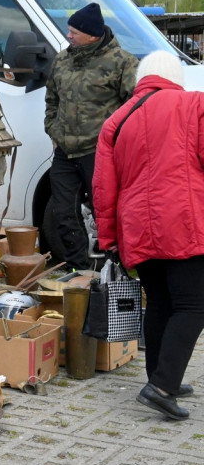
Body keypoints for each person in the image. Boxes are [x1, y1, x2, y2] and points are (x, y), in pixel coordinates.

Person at [93, 50, 204, 421]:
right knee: (193, 304)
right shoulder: (194, 104)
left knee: (159, 301)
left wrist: (108, 238)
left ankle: (159, 376)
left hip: (137, 227)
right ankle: (161, 386)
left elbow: (104, 188)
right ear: (176, 76)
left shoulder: (116, 121)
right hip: (184, 220)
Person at [44, 2, 137, 270]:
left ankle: (118, 272)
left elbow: (137, 105)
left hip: (100, 152)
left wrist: (117, 141)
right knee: (62, 213)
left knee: (106, 214)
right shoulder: (62, 59)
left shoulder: (123, 62)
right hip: (65, 152)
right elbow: (51, 99)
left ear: (93, 35)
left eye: (74, 31)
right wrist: (53, 128)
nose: (68, 36)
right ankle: (79, 271)